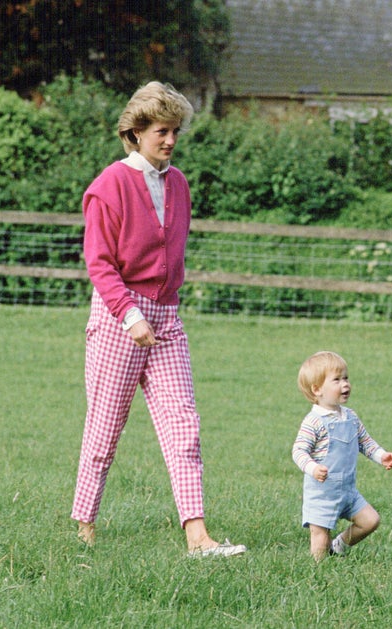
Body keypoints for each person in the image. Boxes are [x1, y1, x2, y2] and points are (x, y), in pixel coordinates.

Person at [71, 81, 246, 558]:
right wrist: (129, 315)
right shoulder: (109, 185)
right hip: (117, 317)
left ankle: (198, 537)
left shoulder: (180, 184)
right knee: (105, 428)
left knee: (183, 426)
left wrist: (158, 308)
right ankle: (84, 526)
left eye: (175, 131)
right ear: (135, 132)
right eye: (162, 131)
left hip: (166, 317)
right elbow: (100, 262)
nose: (170, 140)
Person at [292, 351, 392, 560]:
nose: (345, 384)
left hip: (347, 491)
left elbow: (365, 441)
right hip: (322, 494)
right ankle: (319, 573)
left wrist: (381, 456)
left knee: (371, 521)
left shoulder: (350, 416)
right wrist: (313, 468)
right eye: (336, 380)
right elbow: (298, 451)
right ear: (317, 390)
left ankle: (339, 546)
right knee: (320, 539)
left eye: (346, 378)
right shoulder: (313, 421)